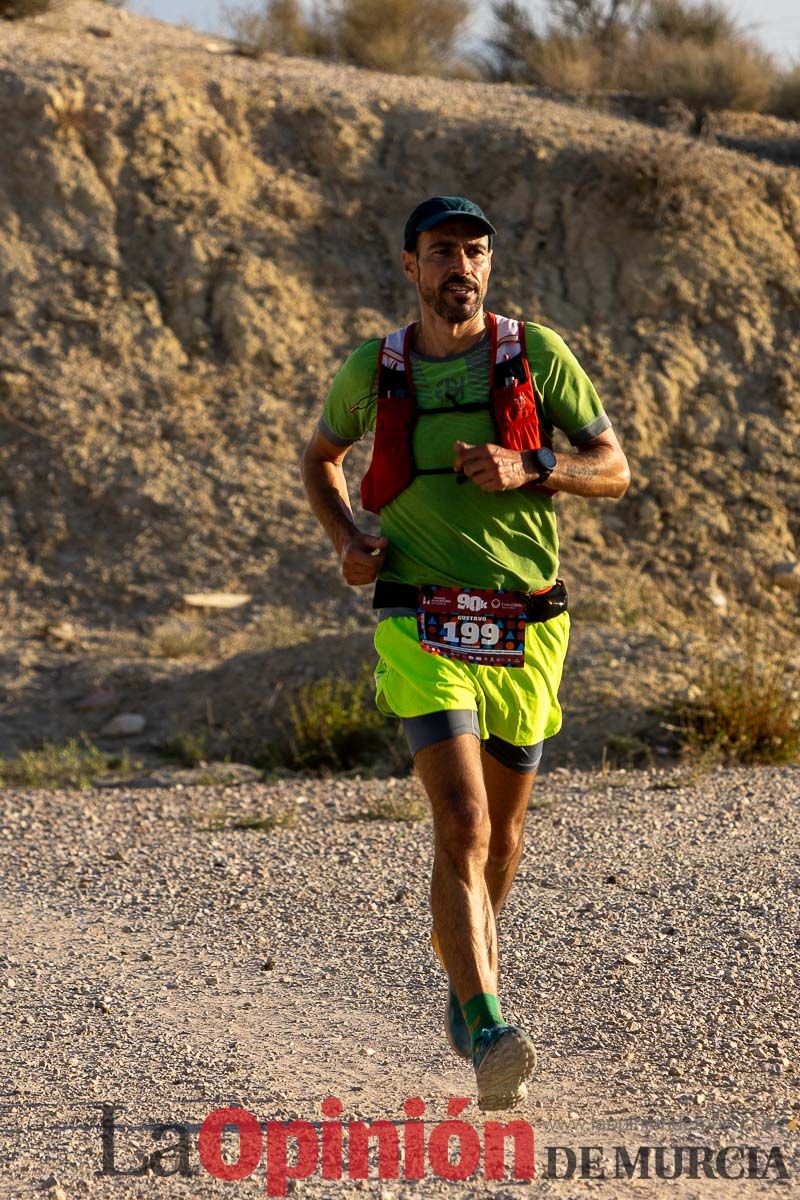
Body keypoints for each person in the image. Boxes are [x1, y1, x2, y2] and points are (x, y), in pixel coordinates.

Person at [301, 196, 630, 1111]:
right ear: (410, 265)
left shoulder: (536, 353)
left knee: (505, 839)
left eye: (476, 252)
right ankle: (488, 1022)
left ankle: (462, 978)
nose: (463, 268)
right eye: (444, 251)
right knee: (465, 823)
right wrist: (348, 542)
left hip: (525, 622)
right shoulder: (378, 367)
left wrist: (539, 467)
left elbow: (615, 467)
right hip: (419, 614)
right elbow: (321, 457)